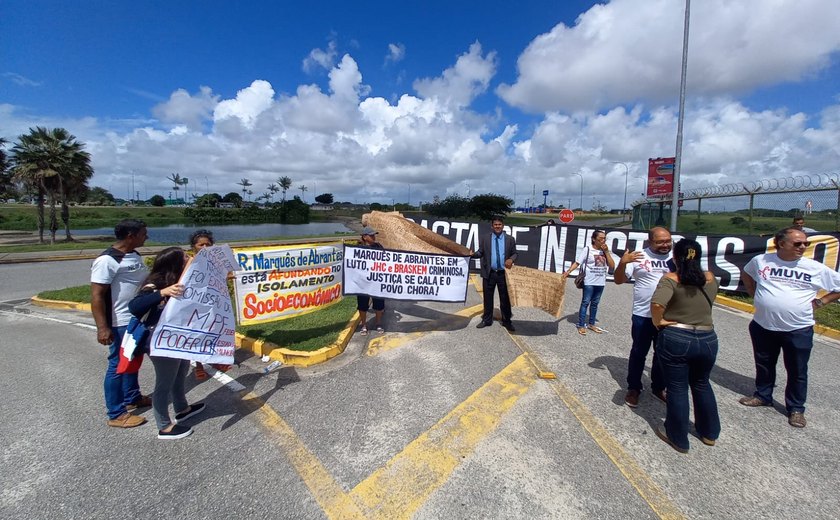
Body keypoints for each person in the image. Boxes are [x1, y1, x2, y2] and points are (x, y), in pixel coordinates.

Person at [739, 227, 840, 428]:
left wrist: (820, 302)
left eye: (806, 243)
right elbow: (747, 273)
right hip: (763, 325)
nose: (803, 247)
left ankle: (796, 408)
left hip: (798, 329)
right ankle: (763, 395)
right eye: (797, 243)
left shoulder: (814, 268)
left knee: (797, 369)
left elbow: (837, 287)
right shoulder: (761, 261)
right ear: (781, 243)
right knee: (764, 363)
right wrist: (755, 294)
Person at [650, 239, 720, 453]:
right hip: (707, 337)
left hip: (678, 336)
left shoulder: (671, 279)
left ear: (674, 258)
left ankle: (678, 437)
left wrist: (659, 321)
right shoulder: (709, 278)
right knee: (701, 384)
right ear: (699, 257)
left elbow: (656, 304)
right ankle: (709, 433)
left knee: (677, 387)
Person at [129, 247, 205, 439]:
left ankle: (182, 407)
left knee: (180, 373)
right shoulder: (155, 285)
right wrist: (162, 292)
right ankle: (164, 425)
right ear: (175, 264)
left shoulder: (181, 281)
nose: (189, 258)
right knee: (164, 382)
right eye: (185, 257)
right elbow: (135, 307)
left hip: (178, 339)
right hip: (160, 342)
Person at [90, 219, 151, 428]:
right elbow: (97, 296)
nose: (147, 236)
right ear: (131, 236)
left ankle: (132, 397)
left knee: (134, 360)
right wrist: (102, 327)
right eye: (144, 233)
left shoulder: (133, 255)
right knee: (118, 365)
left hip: (137, 318)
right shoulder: (107, 260)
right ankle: (116, 413)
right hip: (119, 321)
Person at [614, 226, 672, 407]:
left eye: (668, 240)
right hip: (643, 315)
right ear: (649, 241)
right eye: (660, 241)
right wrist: (623, 263)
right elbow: (618, 280)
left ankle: (658, 387)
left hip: (669, 316)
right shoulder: (638, 256)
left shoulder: (676, 258)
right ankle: (634, 388)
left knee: (662, 354)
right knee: (639, 352)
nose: (665, 244)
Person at [187, 229, 232, 380]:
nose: (205, 247)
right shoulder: (189, 262)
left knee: (215, 330)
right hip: (196, 304)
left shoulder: (217, 262)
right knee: (197, 334)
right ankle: (199, 365)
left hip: (214, 302)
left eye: (208, 244)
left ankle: (216, 360)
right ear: (194, 246)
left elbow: (224, 277)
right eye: (201, 245)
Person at [563, 229, 615, 335]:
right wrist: (568, 272)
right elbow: (578, 262)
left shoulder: (605, 251)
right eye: (600, 238)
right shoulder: (587, 250)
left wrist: (606, 252)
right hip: (589, 281)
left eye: (604, 238)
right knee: (585, 302)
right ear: (594, 239)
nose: (603, 240)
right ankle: (581, 325)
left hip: (600, 282)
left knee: (595, 303)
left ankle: (591, 324)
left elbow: (612, 265)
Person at [471, 216, 518, 331]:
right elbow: (481, 252)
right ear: (492, 226)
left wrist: (511, 259)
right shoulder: (485, 238)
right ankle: (487, 320)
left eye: (499, 224)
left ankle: (507, 321)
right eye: (495, 224)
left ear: (503, 225)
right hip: (489, 273)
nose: (497, 226)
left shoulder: (510, 239)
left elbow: (515, 253)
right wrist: (472, 255)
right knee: (487, 298)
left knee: (505, 299)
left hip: (503, 274)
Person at [357, 226, 386, 335]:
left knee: (379, 304)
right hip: (362, 283)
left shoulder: (378, 246)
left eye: (374, 234)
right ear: (364, 237)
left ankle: (378, 323)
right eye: (371, 235)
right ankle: (364, 325)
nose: (374, 236)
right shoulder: (358, 248)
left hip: (376, 281)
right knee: (362, 305)